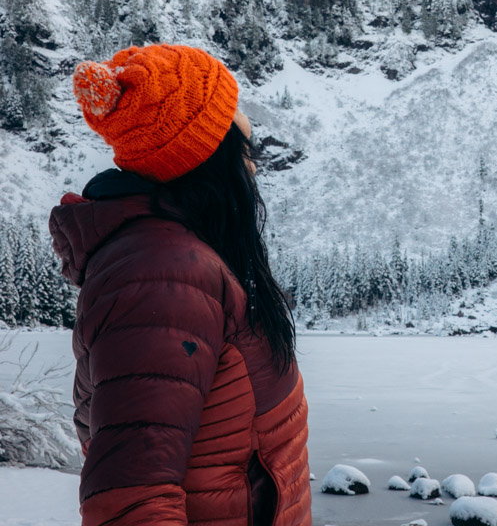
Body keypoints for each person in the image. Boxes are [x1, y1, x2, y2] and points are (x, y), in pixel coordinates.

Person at [49, 43, 312, 526]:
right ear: (206, 158)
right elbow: (132, 502)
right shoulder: (162, 279)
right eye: (240, 141)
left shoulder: (182, 262)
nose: (252, 163)